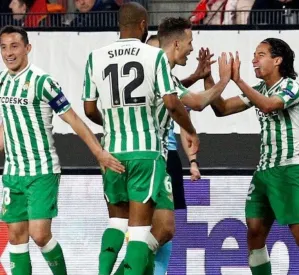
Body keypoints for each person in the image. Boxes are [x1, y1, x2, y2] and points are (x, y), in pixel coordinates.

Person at [81, 3, 201, 275]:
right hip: (145, 152)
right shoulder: (154, 56)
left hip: (111, 151)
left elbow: (89, 109)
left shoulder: (95, 57)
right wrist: (190, 130)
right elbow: (171, 104)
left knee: (115, 224)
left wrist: (114, 123)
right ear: (143, 24)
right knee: (138, 233)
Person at [0, 25, 124, 275]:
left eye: (14, 46)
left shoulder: (43, 82)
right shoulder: (2, 82)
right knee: (15, 236)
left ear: (27, 48)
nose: (8, 53)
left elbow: (73, 119)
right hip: (12, 172)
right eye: (3, 47)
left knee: (39, 233)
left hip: (42, 171)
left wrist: (99, 152)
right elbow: (4, 124)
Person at [210, 38, 299, 275]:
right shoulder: (260, 90)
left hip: (288, 169)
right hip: (264, 171)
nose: (254, 60)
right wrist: (212, 79)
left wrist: (238, 80)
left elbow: (268, 106)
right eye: (254, 55)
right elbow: (222, 109)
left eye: (261, 54)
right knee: (254, 232)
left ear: (277, 60)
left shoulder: (291, 87)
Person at [144, 18, 232, 274]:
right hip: (153, 159)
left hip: (143, 157)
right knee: (162, 229)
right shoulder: (157, 71)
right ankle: (130, 266)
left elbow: (176, 94)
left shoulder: (159, 76)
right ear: (176, 43)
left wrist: (198, 76)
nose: (192, 48)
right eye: (190, 42)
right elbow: (193, 103)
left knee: (156, 228)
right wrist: (224, 80)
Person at [146, 34, 211, 274]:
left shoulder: (167, 82)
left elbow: (182, 117)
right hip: (147, 157)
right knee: (147, 227)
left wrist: (192, 161)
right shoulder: (148, 81)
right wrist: (224, 79)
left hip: (167, 156)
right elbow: (190, 102)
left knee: (166, 228)